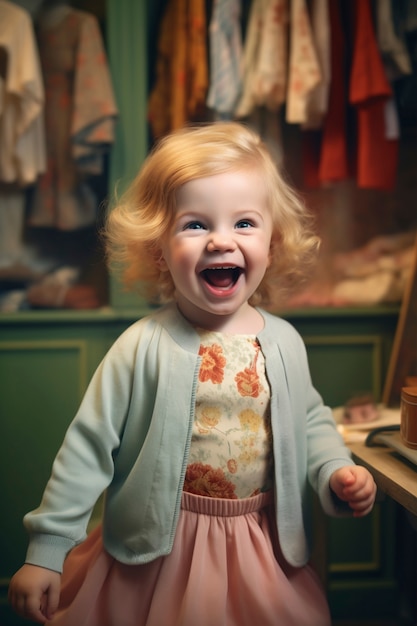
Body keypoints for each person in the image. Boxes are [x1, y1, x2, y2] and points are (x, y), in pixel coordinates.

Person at [8, 122, 376, 626]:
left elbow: (310, 422)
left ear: (274, 242)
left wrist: (335, 470)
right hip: (161, 550)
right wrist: (46, 551)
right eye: (195, 224)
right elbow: (88, 447)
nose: (221, 241)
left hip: (257, 544)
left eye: (244, 223)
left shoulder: (284, 342)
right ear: (159, 246)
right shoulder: (142, 346)